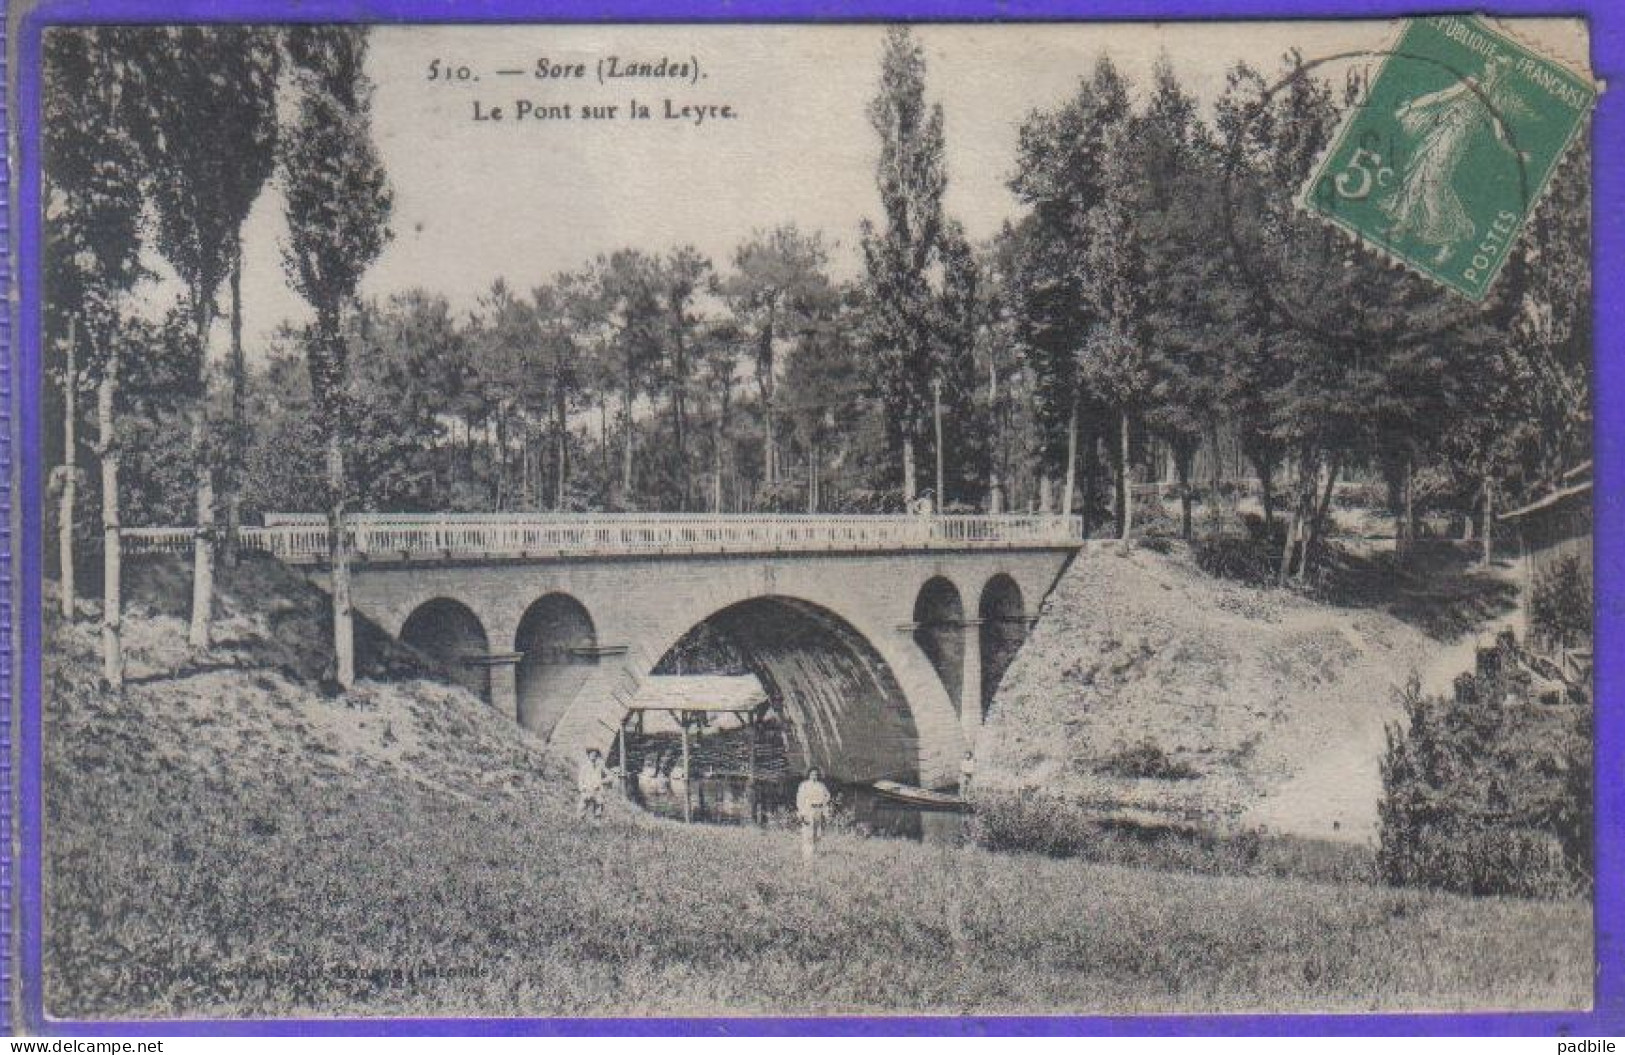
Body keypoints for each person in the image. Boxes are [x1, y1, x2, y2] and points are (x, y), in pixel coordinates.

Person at [796, 767, 832, 860]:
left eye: (816, 774)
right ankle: (807, 856)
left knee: (818, 833)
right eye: (812, 774)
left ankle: (816, 853)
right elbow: (800, 800)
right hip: (808, 810)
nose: (814, 776)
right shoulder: (804, 785)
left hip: (818, 810)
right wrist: (802, 814)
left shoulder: (821, 786)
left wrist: (825, 812)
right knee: (808, 833)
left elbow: (827, 797)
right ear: (808, 775)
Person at [578, 748, 610, 821]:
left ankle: (596, 827)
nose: (593, 756)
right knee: (582, 810)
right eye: (591, 755)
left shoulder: (600, 767)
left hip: (597, 791)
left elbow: (610, 776)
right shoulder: (585, 767)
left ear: (597, 756)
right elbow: (580, 780)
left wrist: (601, 781)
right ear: (588, 755)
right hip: (587, 791)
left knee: (598, 811)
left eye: (595, 755)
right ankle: (580, 826)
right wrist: (583, 788)